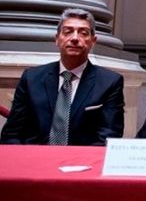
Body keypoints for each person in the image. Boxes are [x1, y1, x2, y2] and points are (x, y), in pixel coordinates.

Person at [0, 8, 124, 145]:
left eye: (83, 33)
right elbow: (12, 134)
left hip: (81, 163)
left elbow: (108, 138)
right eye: (68, 32)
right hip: (34, 160)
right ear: (57, 39)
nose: (75, 38)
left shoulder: (110, 82)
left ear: (93, 41)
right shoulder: (31, 79)